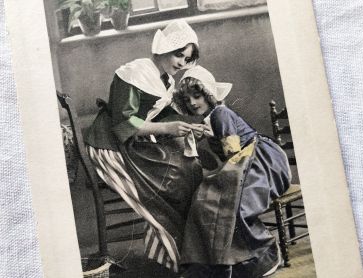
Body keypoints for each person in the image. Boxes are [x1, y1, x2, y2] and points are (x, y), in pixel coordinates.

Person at [84, 20, 207, 273]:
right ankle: (173, 253)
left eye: (186, 59)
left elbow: (159, 118)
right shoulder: (134, 72)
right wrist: (167, 129)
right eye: (178, 55)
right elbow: (123, 123)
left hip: (133, 143)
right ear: (162, 49)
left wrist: (190, 127)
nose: (181, 63)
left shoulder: (166, 81)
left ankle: (182, 252)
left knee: (187, 167)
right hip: (110, 145)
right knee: (172, 176)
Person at [173, 65, 292, 278]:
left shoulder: (220, 113)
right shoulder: (210, 119)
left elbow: (233, 154)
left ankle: (263, 257)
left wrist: (211, 140)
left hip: (260, 163)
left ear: (208, 94)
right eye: (188, 99)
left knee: (228, 205)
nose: (192, 103)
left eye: (197, 96)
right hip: (242, 163)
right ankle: (227, 263)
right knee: (205, 201)